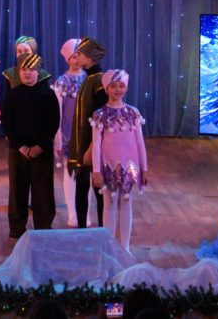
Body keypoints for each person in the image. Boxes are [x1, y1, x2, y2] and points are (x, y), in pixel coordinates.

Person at [2, 53, 59, 239]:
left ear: (38, 72)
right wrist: (21, 146)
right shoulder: (13, 95)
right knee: (17, 190)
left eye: (31, 70)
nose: (27, 73)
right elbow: (7, 123)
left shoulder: (48, 95)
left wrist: (40, 146)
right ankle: (17, 229)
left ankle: (43, 226)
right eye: (24, 70)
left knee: (43, 190)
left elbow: (53, 123)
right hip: (18, 151)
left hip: (41, 151)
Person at [91, 69, 148, 252]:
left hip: (130, 166)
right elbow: (96, 145)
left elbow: (140, 143)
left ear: (126, 88)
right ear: (106, 88)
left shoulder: (133, 113)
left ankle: (125, 247)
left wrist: (144, 168)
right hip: (108, 165)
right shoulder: (100, 115)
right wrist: (96, 170)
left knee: (126, 201)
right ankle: (109, 247)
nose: (118, 89)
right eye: (114, 86)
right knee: (109, 203)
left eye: (121, 86)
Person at [68, 37, 107, 229]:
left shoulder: (99, 81)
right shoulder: (88, 78)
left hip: (92, 146)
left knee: (98, 190)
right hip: (82, 144)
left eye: (80, 54)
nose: (77, 58)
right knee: (81, 188)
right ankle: (82, 229)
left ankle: (102, 229)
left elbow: (102, 117)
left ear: (90, 58)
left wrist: (93, 147)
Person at [51, 38, 86, 227]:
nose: (76, 60)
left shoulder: (89, 79)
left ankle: (84, 212)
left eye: (79, 56)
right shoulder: (62, 82)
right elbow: (57, 112)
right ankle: (72, 213)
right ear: (67, 59)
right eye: (73, 57)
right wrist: (58, 137)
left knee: (86, 174)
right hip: (68, 134)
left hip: (86, 134)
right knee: (70, 171)